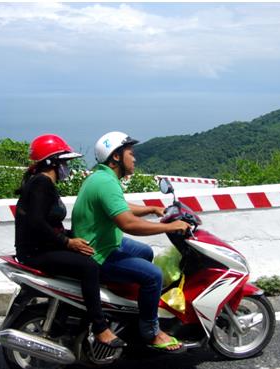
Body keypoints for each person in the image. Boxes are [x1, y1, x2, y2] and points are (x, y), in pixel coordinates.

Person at [72, 131, 191, 353]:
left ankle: (128, 308)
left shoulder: (102, 177)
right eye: (130, 153)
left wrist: (153, 208)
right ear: (116, 157)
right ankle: (151, 331)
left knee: (145, 253)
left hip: (104, 244)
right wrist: (170, 226)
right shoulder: (106, 182)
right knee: (153, 275)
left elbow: (120, 206)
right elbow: (128, 223)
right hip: (98, 253)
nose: (134, 158)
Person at [14, 133, 125, 348]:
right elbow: (36, 223)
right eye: (65, 162)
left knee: (88, 257)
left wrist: (71, 236)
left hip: (43, 247)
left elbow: (47, 223)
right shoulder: (41, 184)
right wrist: (67, 242)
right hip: (36, 252)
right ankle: (100, 327)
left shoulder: (42, 183)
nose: (68, 167)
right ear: (52, 162)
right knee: (89, 267)